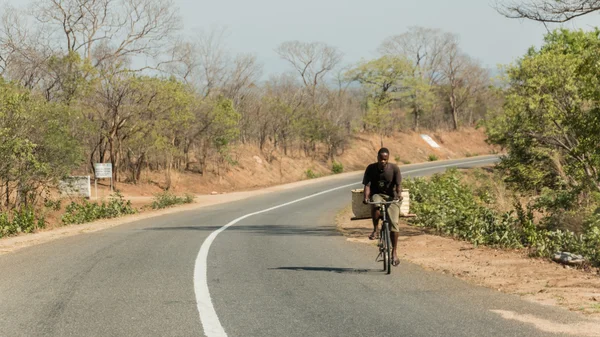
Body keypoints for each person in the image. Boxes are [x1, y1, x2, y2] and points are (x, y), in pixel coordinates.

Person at [362, 147, 403, 266]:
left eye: (385, 159)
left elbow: (399, 184)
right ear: (377, 158)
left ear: (388, 158)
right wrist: (366, 197)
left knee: (394, 224)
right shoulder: (371, 168)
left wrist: (399, 195)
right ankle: (375, 229)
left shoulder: (394, 168)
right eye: (381, 159)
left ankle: (394, 252)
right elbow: (367, 185)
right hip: (377, 195)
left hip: (391, 197)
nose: (383, 161)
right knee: (375, 203)